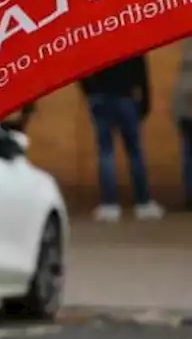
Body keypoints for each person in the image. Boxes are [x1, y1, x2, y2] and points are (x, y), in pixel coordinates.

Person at [79, 56, 164, 222]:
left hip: (100, 97)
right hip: (126, 97)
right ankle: (143, 203)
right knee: (135, 152)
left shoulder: (95, 39)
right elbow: (141, 71)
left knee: (106, 152)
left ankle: (109, 205)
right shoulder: (130, 37)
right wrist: (145, 103)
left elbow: (81, 68)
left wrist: (90, 91)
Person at [176, 39, 192, 211]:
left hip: (185, 115)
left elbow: (177, 98)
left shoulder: (184, 68)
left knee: (188, 155)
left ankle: (189, 196)